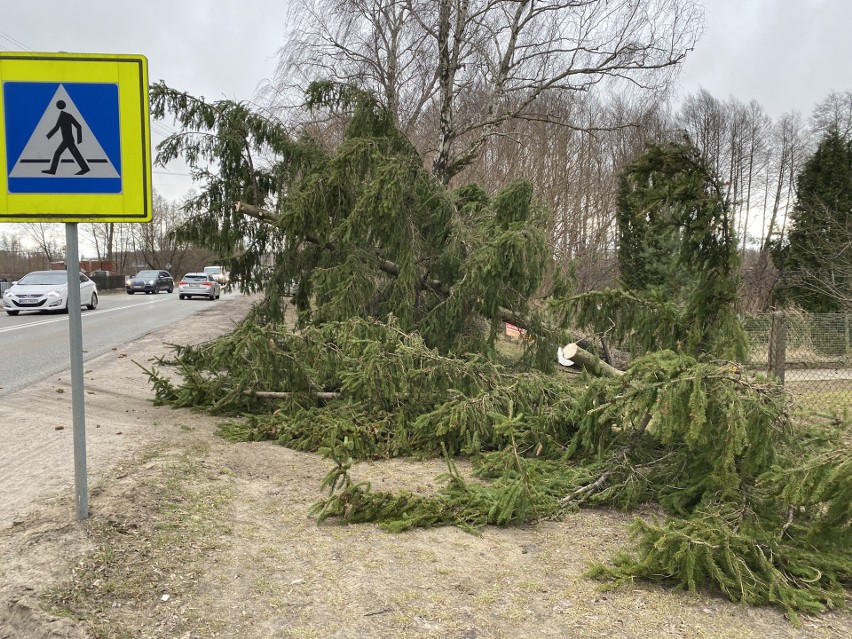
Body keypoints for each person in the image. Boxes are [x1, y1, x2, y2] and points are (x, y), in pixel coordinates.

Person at [42, 100, 90, 176]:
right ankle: (85, 168)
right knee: (72, 154)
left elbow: (77, 126)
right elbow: (58, 128)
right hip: (67, 140)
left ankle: (53, 170)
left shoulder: (63, 116)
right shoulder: (66, 115)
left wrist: (79, 140)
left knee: (58, 153)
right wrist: (47, 136)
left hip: (68, 140)